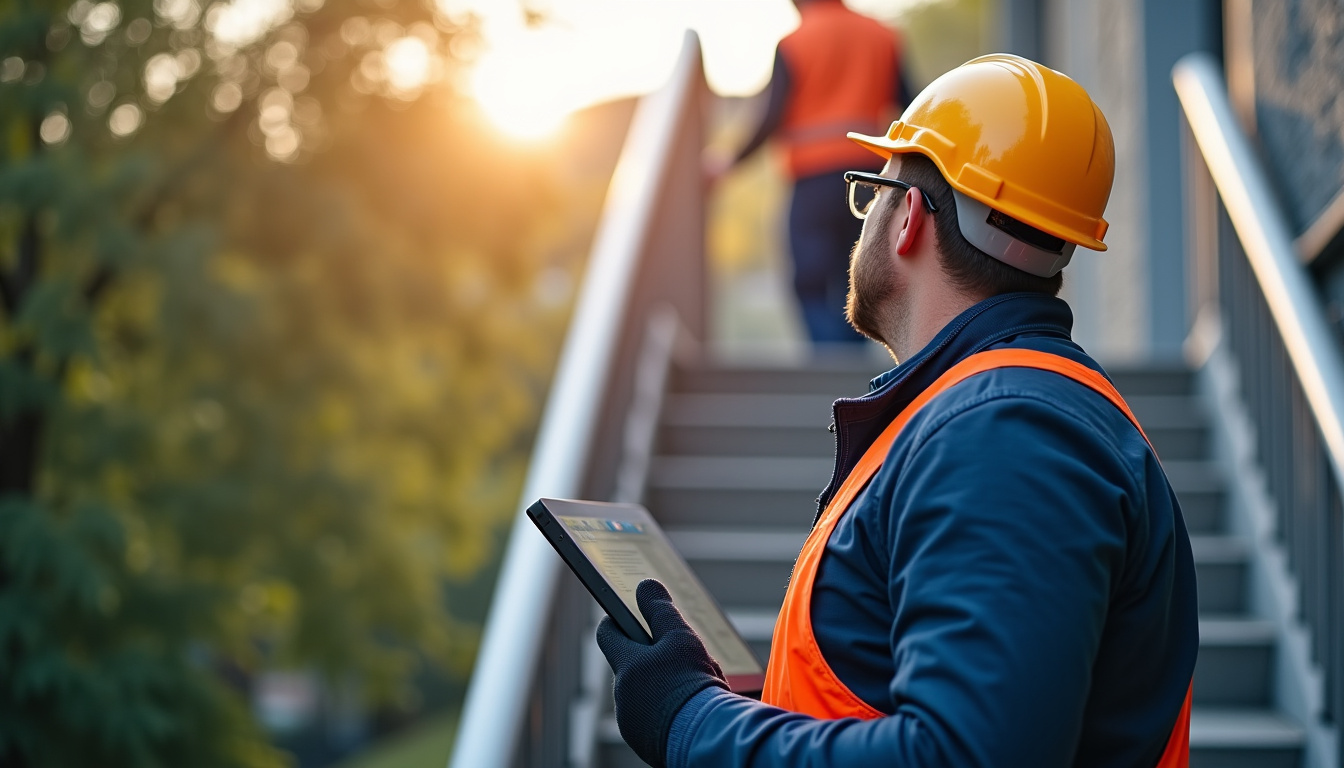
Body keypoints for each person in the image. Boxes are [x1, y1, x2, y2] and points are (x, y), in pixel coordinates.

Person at [598, 54, 1199, 767]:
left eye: (871, 191)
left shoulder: (1005, 434)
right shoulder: (1006, 414)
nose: (868, 216)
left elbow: (964, 757)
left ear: (907, 216)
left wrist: (690, 721)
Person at [706, 0, 914, 345]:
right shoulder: (883, 35)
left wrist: (729, 160)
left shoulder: (794, 43)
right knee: (857, 283)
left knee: (811, 285)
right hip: (870, 181)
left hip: (813, 182)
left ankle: (831, 367)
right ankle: (850, 372)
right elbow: (911, 106)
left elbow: (771, 116)